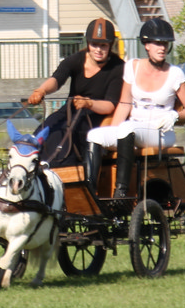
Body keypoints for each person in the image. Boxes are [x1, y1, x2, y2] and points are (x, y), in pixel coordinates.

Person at [85, 17, 185, 200]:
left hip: (161, 132)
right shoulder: (132, 67)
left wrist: (175, 116)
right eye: (157, 43)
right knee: (95, 135)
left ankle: (121, 194)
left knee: (127, 128)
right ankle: (90, 194)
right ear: (146, 45)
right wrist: (113, 130)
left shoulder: (175, 73)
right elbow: (124, 104)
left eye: (165, 44)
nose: (162, 48)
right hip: (132, 130)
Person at [26, 18, 127, 184]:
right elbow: (57, 79)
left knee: (69, 133)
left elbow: (110, 105)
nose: (99, 49)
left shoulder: (118, 67)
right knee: (47, 127)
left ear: (110, 45)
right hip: (71, 109)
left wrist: (89, 103)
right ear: (88, 43)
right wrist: (42, 90)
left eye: (103, 45)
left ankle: (67, 178)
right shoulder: (76, 59)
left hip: (97, 115)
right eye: (94, 44)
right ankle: (31, 172)